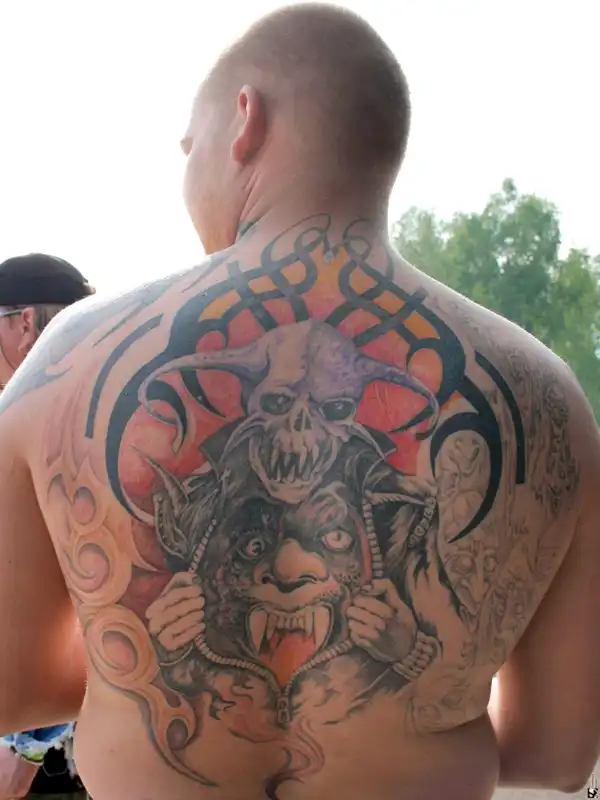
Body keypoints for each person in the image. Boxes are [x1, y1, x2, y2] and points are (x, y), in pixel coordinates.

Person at [0, 5, 597, 799]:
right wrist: (422, 683)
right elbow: (557, 755)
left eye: (190, 146)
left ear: (244, 122)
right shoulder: (548, 400)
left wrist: (138, 653)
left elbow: (9, 687)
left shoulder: (66, 362)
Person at [0, 253, 91, 799]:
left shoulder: (39, 424)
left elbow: (74, 598)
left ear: (24, 323)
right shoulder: (111, 416)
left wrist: (25, 752)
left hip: (38, 752)